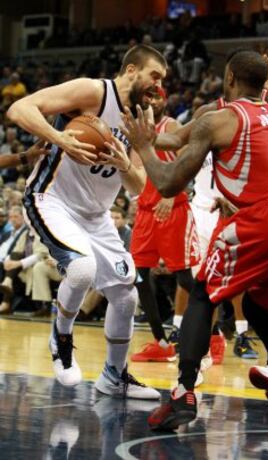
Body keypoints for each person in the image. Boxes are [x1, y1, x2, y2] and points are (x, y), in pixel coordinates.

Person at [123, 49, 268, 433]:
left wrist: (143, 148)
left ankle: (183, 394)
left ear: (230, 78)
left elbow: (168, 181)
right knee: (256, 307)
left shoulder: (221, 118)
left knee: (203, 293)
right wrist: (148, 129)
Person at [7, 44, 167, 399]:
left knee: (126, 295)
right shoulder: (94, 91)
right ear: (130, 70)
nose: (158, 85)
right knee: (82, 270)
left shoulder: (143, 119)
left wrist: (125, 163)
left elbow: (140, 186)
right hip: (53, 201)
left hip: (96, 216)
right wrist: (59, 137)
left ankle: (114, 375)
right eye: (154, 75)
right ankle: (61, 337)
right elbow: (20, 108)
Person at [130, 87, 199, 363]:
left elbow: (190, 161)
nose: (152, 101)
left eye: (157, 96)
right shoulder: (134, 130)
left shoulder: (171, 126)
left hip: (173, 206)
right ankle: (161, 342)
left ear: (165, 100)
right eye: (148, 96)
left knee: (184, 277)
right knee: (139, 277)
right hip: (146, 211)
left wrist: (173, 193)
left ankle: (212, 333)